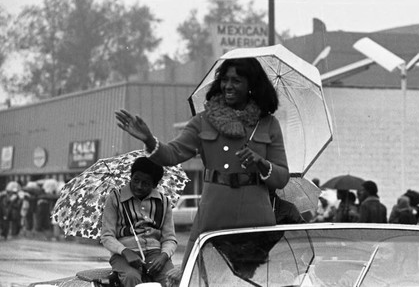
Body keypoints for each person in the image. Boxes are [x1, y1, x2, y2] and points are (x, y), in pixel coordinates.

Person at [115, 57, 289, 271]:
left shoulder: (268, 124)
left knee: (254, 279)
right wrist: (149, 140)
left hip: (255, 216)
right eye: (225, 80)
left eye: (236, 81)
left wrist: (261, 163)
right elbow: (172, 154)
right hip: (214, 212)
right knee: (199, 275)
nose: (228, 86)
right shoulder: (203, 121)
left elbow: (281, 178)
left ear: (251, 85)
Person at [100, 157, 177, 287]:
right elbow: (106, 236)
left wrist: (164, 256)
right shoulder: (115, 198)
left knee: (173, 280)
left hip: (156, 253)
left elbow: (170, 238)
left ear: (155, 185)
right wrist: (125, 251)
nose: (139, 186)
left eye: (145, 183)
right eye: (136, 180)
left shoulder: (164, 202)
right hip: (123, 255)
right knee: (131, 277)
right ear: (131, 176)